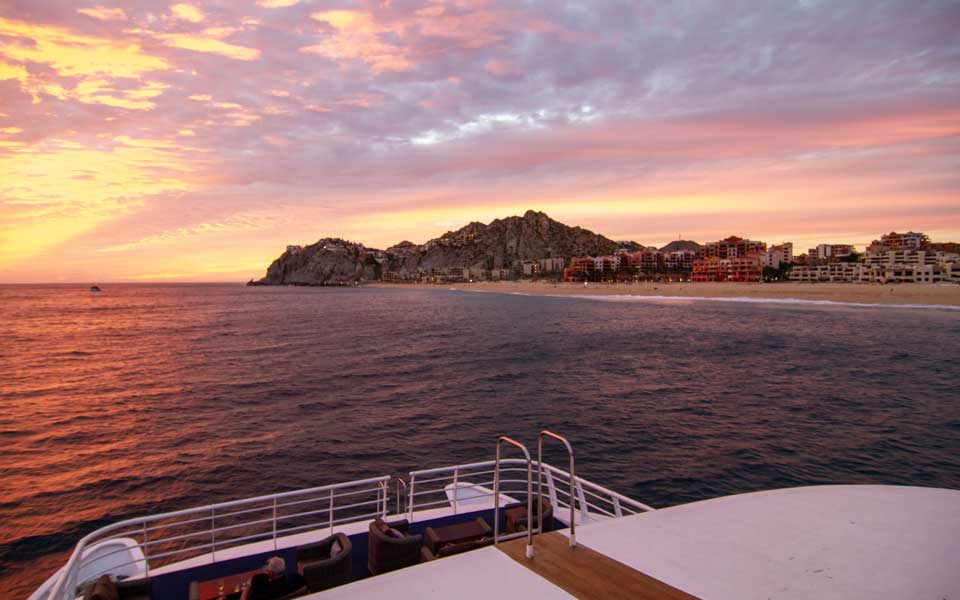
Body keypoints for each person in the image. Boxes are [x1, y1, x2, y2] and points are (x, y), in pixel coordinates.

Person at [239, 556, 305, 600]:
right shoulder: (296, 578)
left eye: (267, 571)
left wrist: (247, 586)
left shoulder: (264, 593)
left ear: (271, 573)